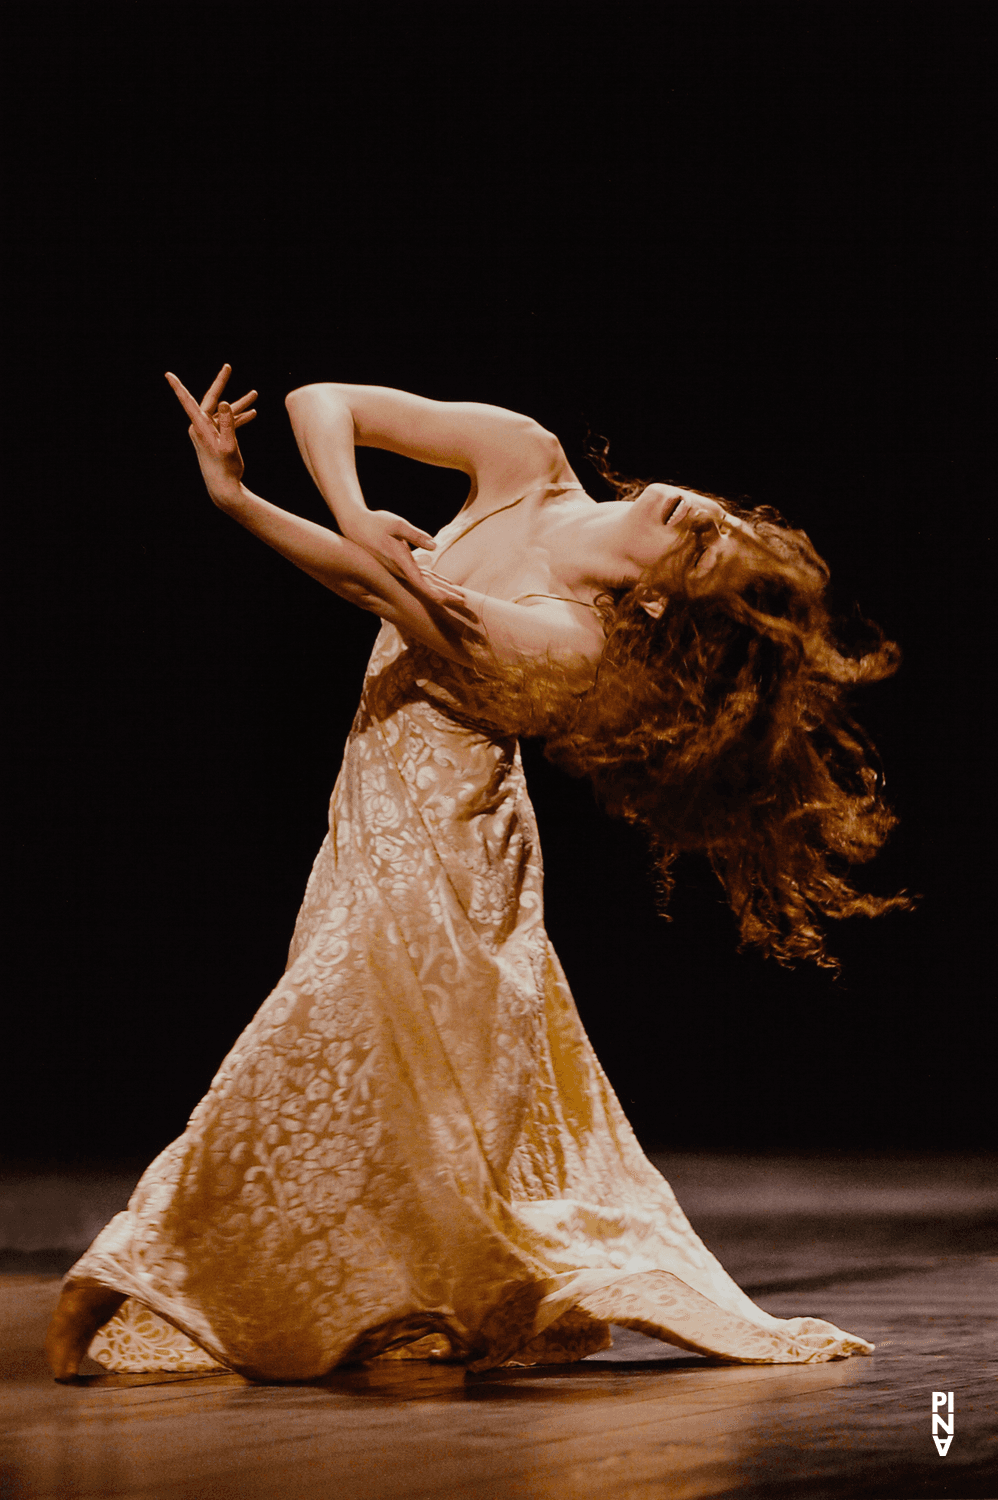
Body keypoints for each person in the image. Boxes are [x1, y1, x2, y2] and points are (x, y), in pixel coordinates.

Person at [46, 366, 906, 1382]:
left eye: (707, 546)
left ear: (662, 599)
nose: (697, 517)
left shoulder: (572, 638)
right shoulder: (527, 460)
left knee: (334, 1054)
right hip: (371, 821)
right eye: (722, 517)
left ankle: (121, 1275)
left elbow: (377, 586)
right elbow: (325, 402)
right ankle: (382, 1317)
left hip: (445, 856)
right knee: (389, 1090)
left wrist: (234, 501)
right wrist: (355, 505)